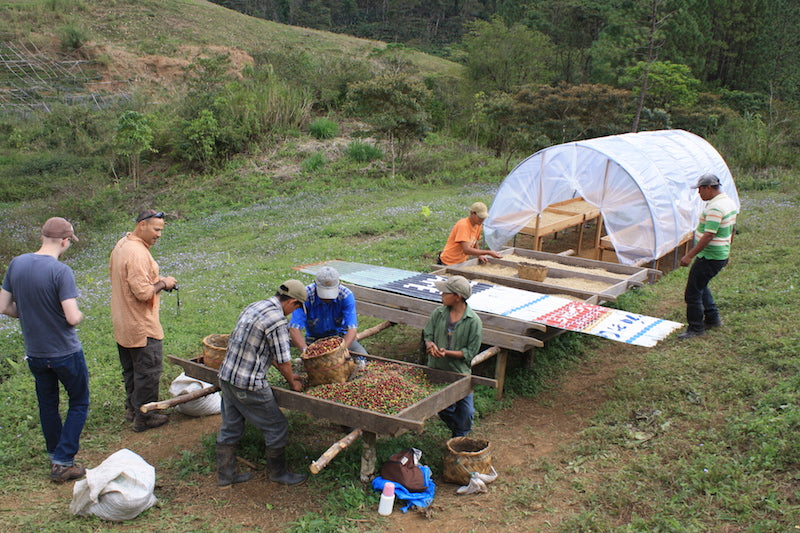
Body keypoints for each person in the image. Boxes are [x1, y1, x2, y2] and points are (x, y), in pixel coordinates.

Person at [0, 217, 90, 482]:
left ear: (42, 237)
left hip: (36, 353)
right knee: (79, 401)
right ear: (65, 241)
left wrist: (30, 313)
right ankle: (63, 461)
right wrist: (80, 315)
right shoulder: (61, 271)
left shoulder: (17, 264)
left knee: (48, 405)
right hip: (65, 351)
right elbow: (71, 317)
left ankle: (55, 455)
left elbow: (4, 306)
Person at [216, 279, 308, 487]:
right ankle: (278, 473)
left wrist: (289, 374)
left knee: (230, 426)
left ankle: (225, 475)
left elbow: (266, 350)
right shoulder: (277, 320)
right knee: (277, 425)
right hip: (248, 383)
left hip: (227, 376)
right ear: (291, 301)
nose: (293, 312)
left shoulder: (255, 306)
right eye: (296, 308)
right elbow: (283, 360)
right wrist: (293, 383)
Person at [109, 210, 178, 432]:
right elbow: (143, 292)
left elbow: (133, 281)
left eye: (161, 230)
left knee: (131, 371)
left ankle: (132, 409)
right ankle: (145, 417)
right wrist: (165, 283)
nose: (159, 234)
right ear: (142, 225)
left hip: (123, 323)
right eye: (156, 229)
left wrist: (156, 280)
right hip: (141, 325)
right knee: (148, 372)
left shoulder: (122, 244)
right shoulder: (137, 253)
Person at [678, 174, 738, 340]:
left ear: (709, 188)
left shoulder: (715, 208)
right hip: (718, 254)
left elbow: (709, 235)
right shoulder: (728, 202)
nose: (699, 193)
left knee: (692, 292)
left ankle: (696, 328)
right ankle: (712, 319)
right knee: (701, 285)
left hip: (710, 256)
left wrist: (689, 255)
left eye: (700, 189)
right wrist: (726, 251)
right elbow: (732, 229)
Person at [423, 275, 482, 437]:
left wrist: (446, 353)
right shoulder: (438, 313)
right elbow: (428, 335)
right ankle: (459, 433)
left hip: (459, 372)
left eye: (445, 293)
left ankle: (460, 436)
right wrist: (430, 345)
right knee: (442, 408)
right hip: (437, 369)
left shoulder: (473, 321)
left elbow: (470, 352)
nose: (441, 295)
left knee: (467, 412)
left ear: (457, 297)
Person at [289, 266, 367, 355]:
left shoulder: (345, 296)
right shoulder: (305, 296)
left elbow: (352, 329)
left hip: (340, 337)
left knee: (363, 357)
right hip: (314, 339)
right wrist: (306, 352)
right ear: (315, 284)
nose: (327, 299)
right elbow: (294, 328)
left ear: (338, 285)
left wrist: (340, 351)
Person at [438, 201, 503, 265]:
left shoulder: (478, 225)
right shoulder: (463, 225)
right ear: (472, 213)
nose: (482, 220)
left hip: (461, 261)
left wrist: (479, 255)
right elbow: (466, 250)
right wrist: (488, 252)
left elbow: (475, 241)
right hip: (449, 261)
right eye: (480, 217)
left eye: (483, 218)